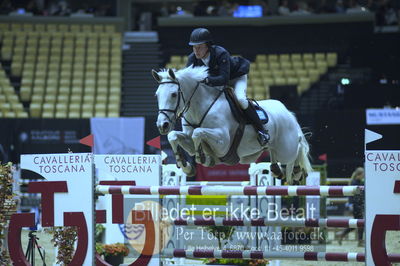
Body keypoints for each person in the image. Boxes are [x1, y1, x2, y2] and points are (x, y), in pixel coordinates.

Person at [186, 28, 269, 146]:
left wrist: (206, 80)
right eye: (194, 47)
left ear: (208, 46)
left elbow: (224, 79)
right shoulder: (192, 58)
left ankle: (261, 130)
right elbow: (187, 76)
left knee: (241, 100)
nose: (196, 51)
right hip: (215, 82)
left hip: (235, 78)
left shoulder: (221, 53)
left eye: (199, 47)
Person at [338, 167, 365, 247]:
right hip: (357, 205)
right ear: (359, 175)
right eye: (363, 174)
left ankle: (343, 234)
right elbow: (356, 195)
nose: (364, 176)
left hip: (359, 205)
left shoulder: (359, 182)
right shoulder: (354, 183)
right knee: (359, 224)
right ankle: (359, 241)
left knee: (357, 224)